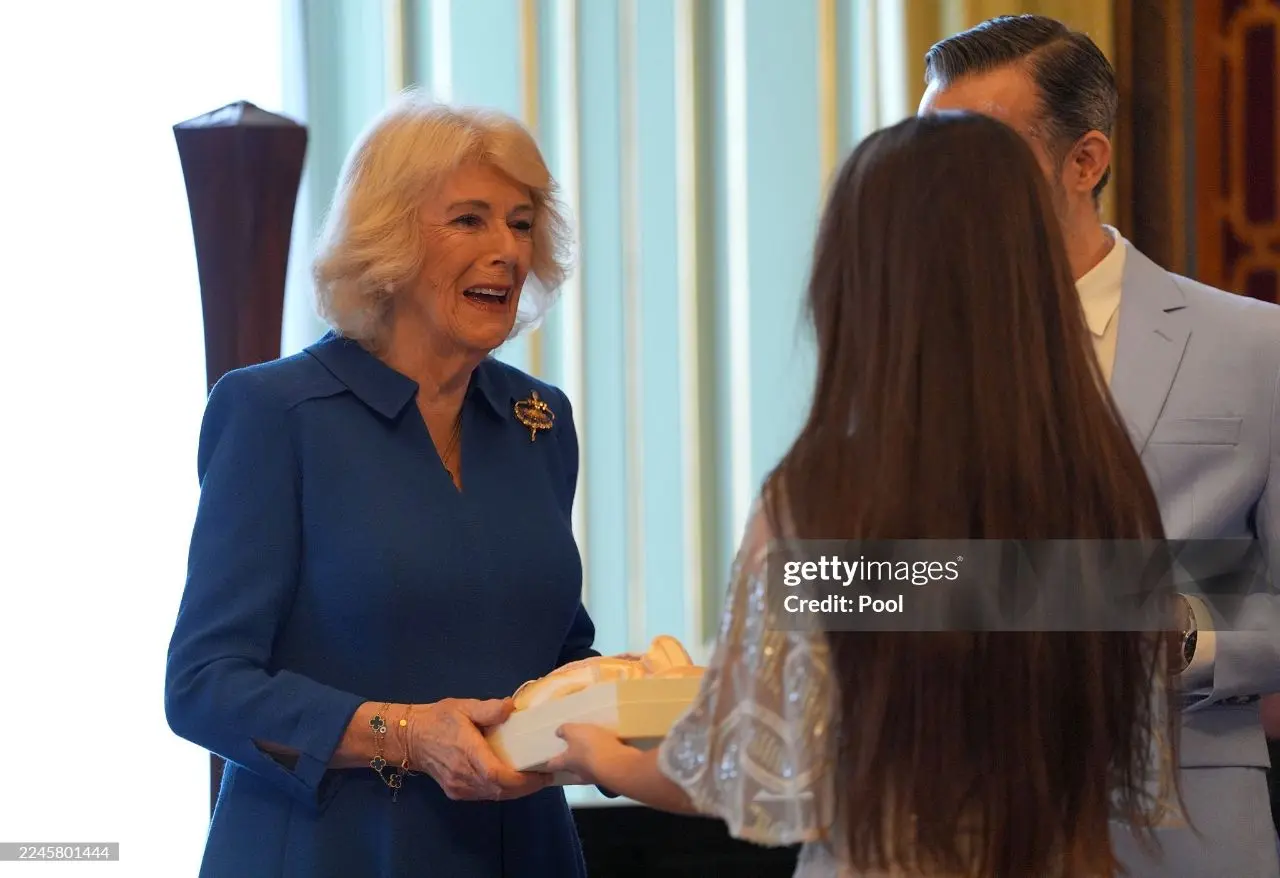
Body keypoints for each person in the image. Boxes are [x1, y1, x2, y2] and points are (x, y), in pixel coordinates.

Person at [548, 111, 1184, 877]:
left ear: (861, 279)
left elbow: (756, 764)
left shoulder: (831, 499)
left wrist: (604, 758)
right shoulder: (1103, 479)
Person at [164, 95, 600, 877]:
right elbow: (203, 687)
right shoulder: (275, 414)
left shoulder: (539, 421)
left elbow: (553, 650)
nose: (507, 250)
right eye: (469, 220)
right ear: (389, 239)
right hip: (335, 852)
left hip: (524, 853)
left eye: (521, 223)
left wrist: (644, 698)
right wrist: (403, 735)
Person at [916, 15, 1280, 876]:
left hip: (1182, 831)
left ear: (1084, 162)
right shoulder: (899, 353)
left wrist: (1183, 634)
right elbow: (837, 583)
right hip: (952, 826)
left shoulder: (1257, 348)